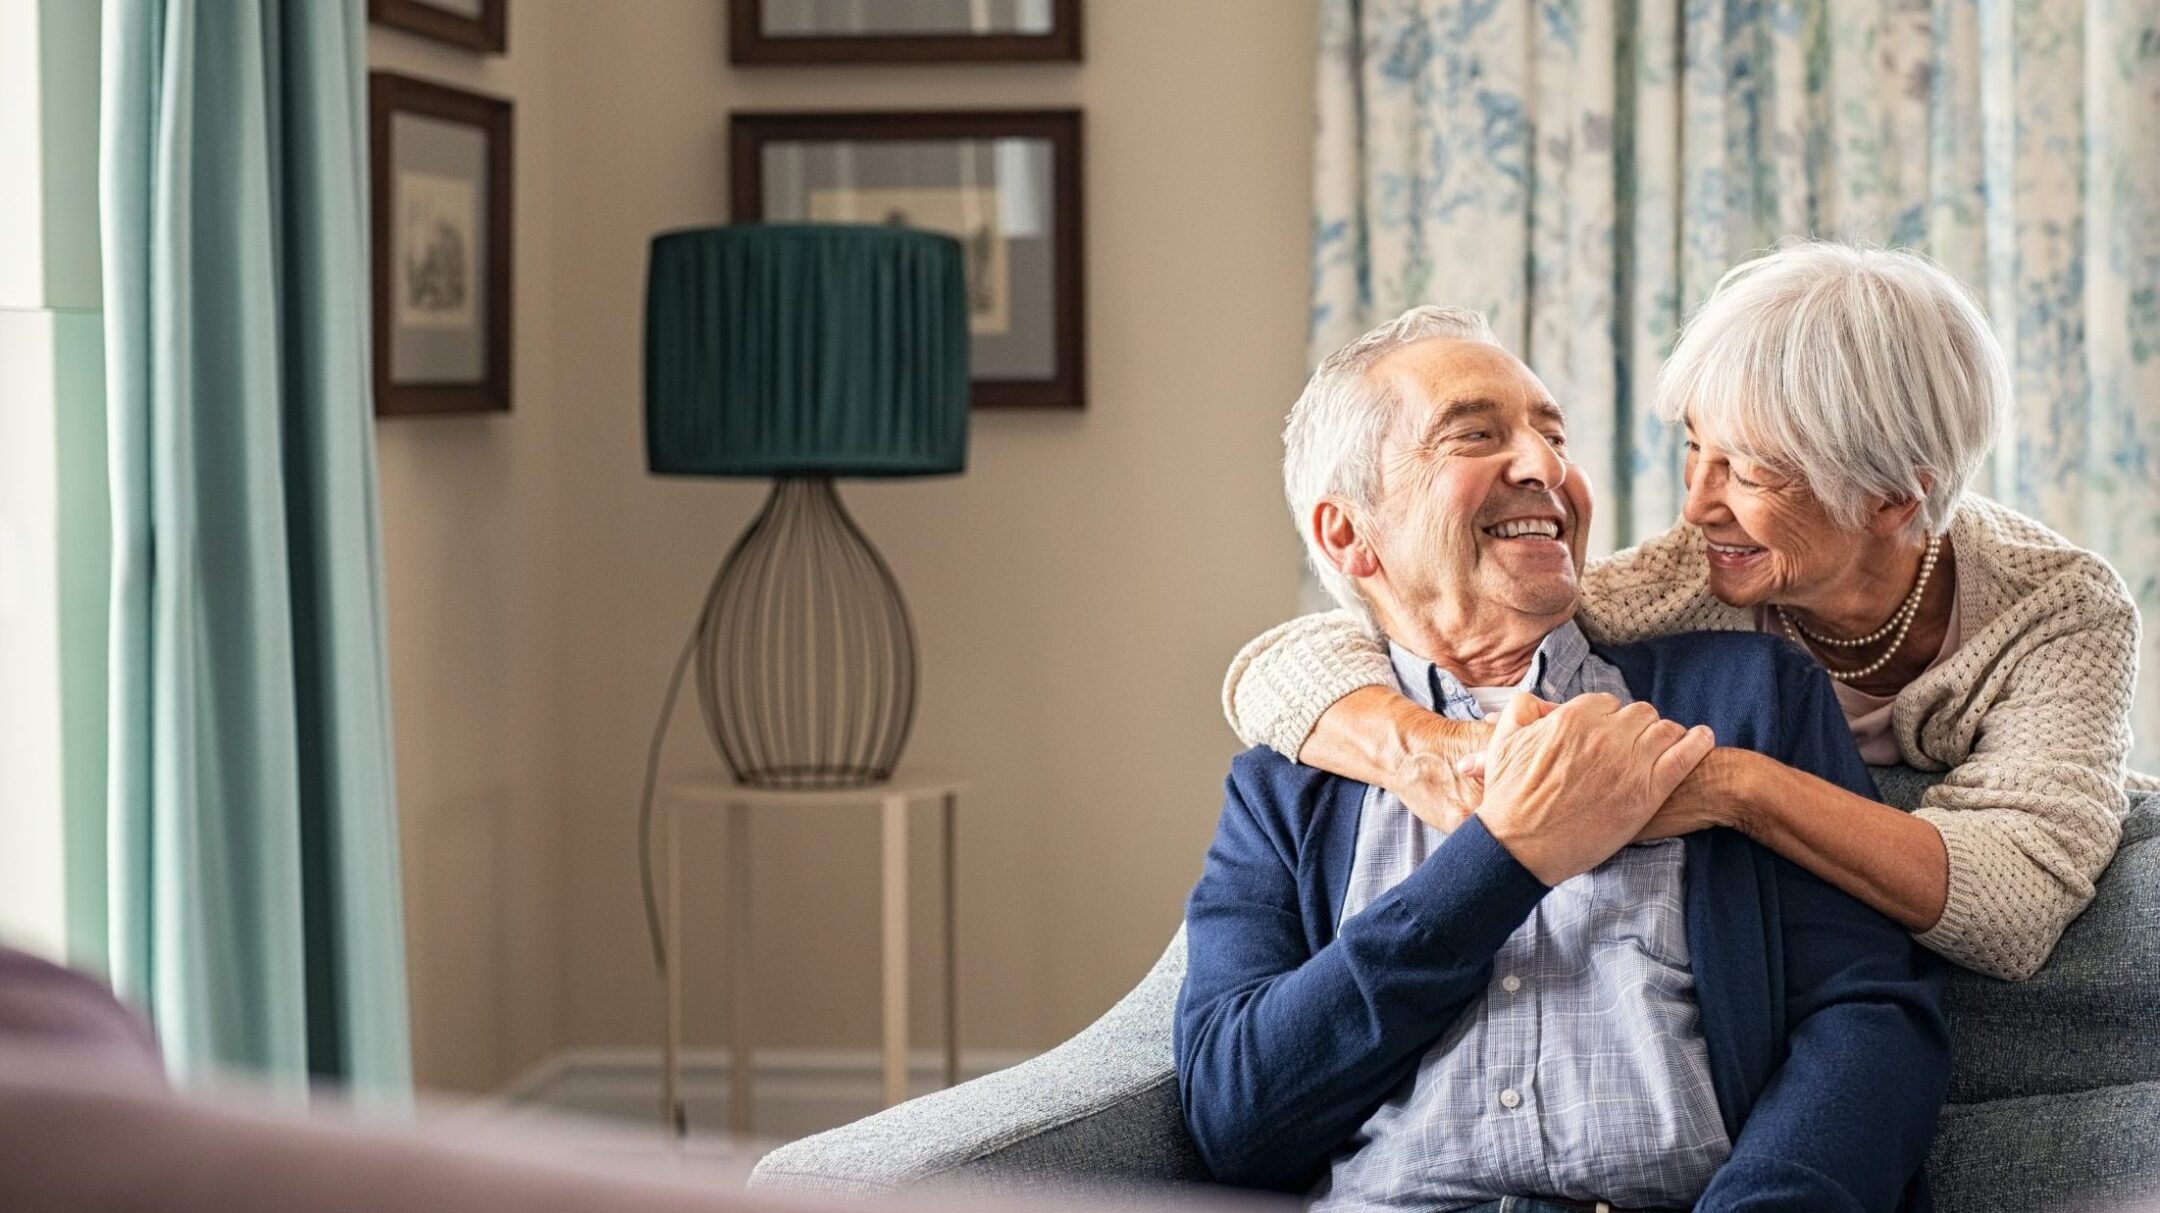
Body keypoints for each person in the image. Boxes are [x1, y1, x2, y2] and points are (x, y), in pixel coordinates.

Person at [1175, 307, 1949, 1213]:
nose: (1546, 467)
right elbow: (1237, 1118)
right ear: (1349, 534)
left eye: (1554, 435)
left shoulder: (1746, 699)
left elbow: (1870, 1019)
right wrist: (1502, 859)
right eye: (1475, 435)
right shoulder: (1287, 783)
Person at [1224, 243, 2146, 982]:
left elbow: (2015, 904)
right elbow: (1296, 657)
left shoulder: (2058, 611)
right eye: (1695, 450)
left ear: (1893, 498)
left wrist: (1733, 788)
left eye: (1746, 470)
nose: (1699, 506)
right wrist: (1431, 748)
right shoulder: (1685, 579)